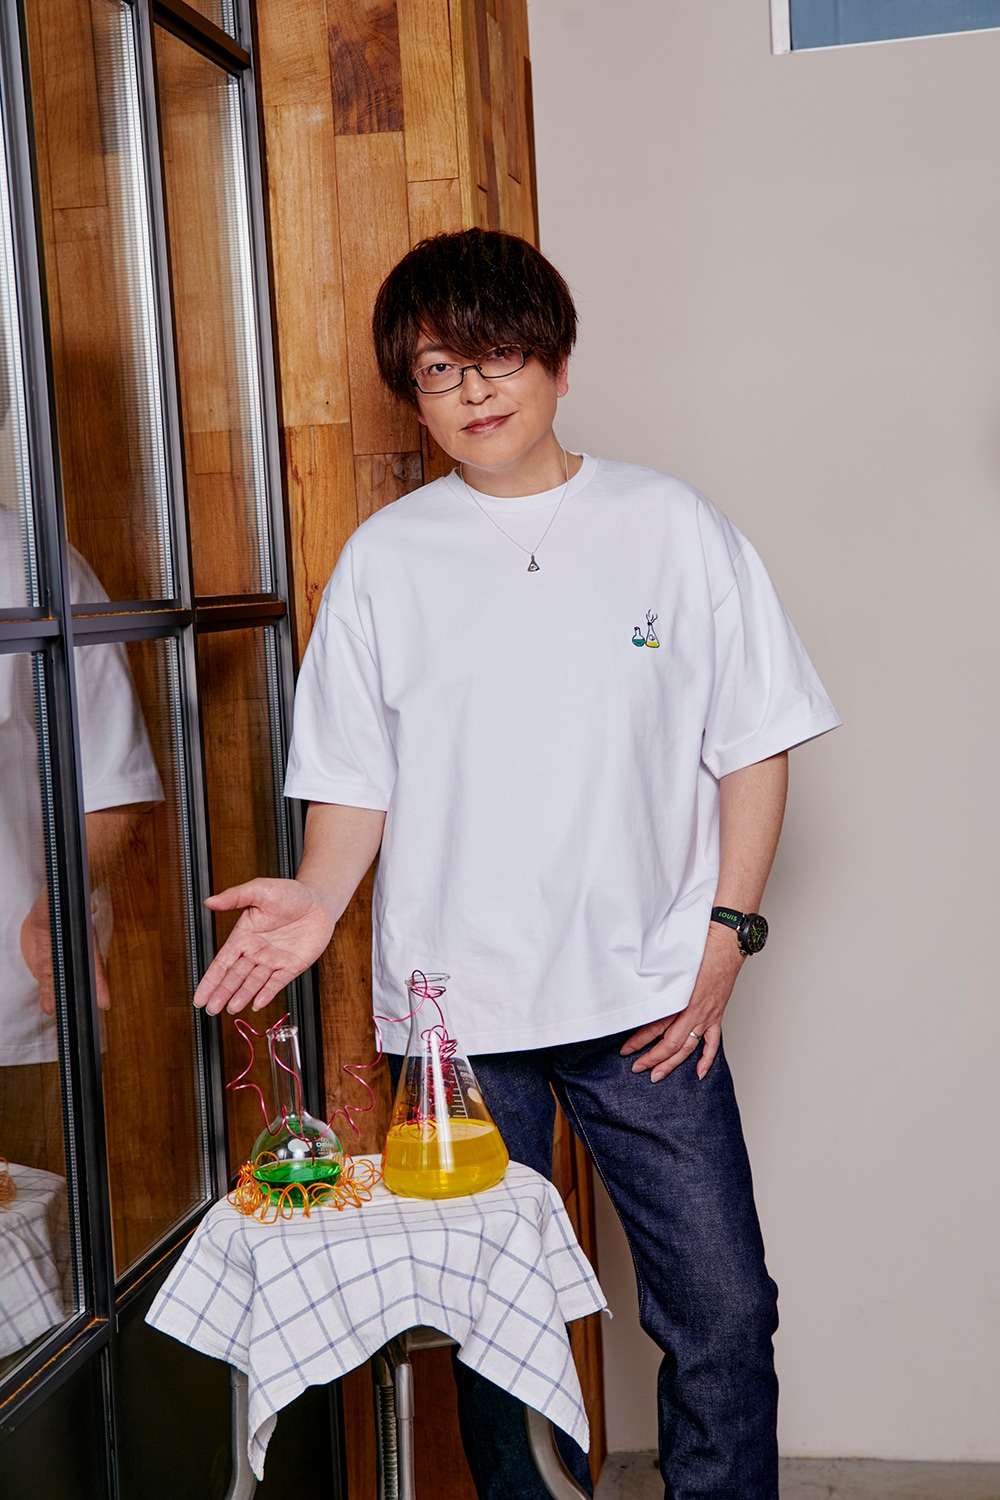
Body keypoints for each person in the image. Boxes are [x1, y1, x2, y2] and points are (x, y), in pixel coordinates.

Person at [193, 229, 840, 1500]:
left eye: (496, 355)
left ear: (555, 360)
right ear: (415, 394)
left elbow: (754, 746)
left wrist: (725, 937)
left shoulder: (670, 525)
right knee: (501, 1341)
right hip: (457, 1030)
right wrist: (316, 898)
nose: (474, 389)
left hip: (652, 997)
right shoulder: (386, 560)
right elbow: (355, 782)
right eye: (440, 369)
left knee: (722, 1313)